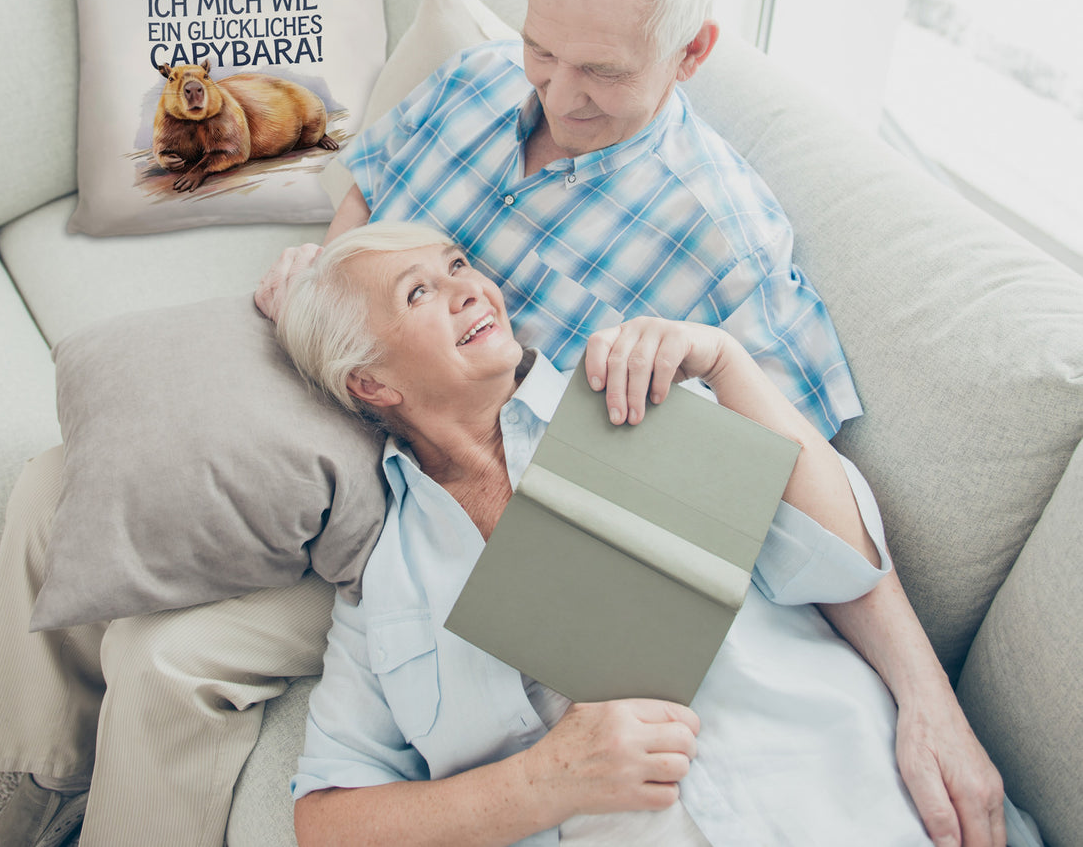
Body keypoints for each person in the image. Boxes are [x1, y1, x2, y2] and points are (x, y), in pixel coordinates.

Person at [257, 0, 1005, 846]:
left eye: (601, 71)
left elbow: (813, 517)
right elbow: (369, 186)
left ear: (691, 53)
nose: (558, 95)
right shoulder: (477, 83)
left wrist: (927, 700)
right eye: (543, 51)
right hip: (363, 467)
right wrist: (331, 293)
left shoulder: (701, 290)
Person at [276, 221, 1028, 847]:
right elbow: (327, 820)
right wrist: (543, 782)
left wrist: (727, 363)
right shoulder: (386, 585)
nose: (470, 288)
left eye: (458, 265)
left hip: (856, 800)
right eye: (419, 292)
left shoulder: (631, 394)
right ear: (371, 383)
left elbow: (841, 562)